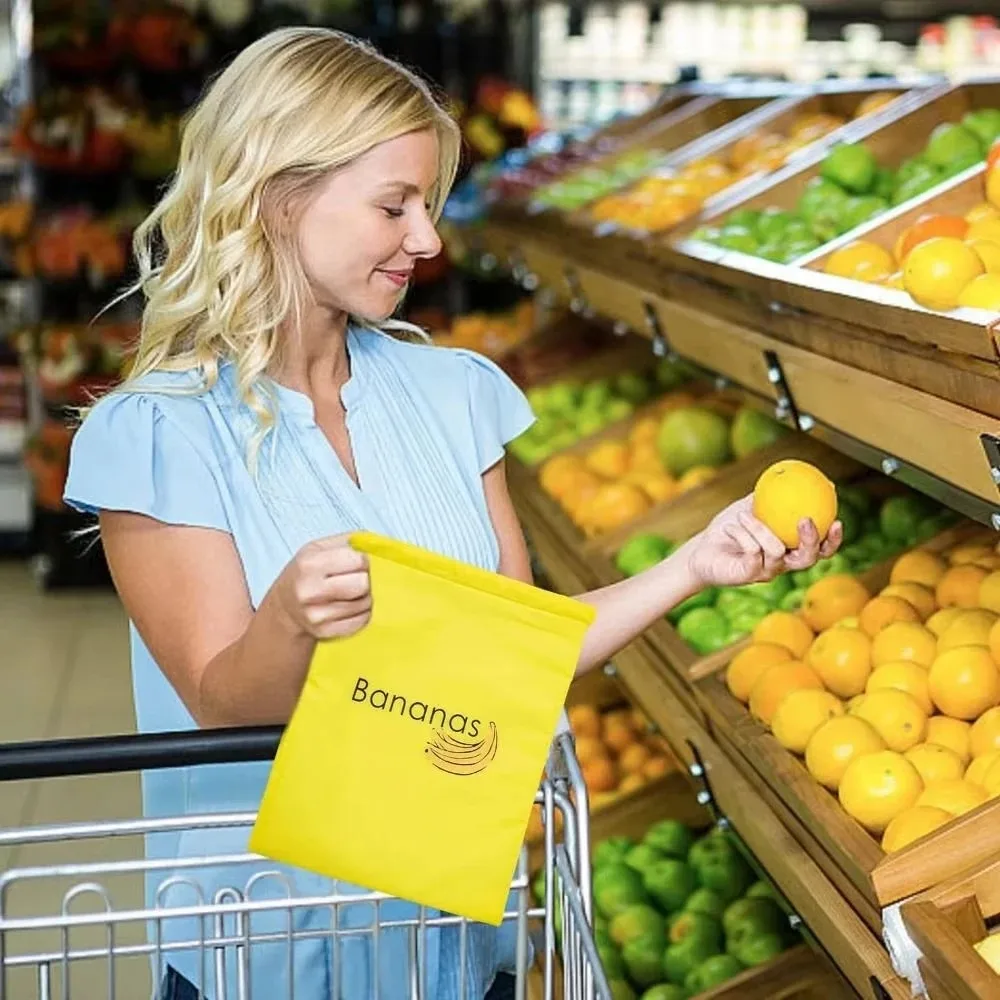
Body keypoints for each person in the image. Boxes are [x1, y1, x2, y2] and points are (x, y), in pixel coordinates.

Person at [62, 27, 841, 1000]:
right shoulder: (157, 434)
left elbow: (507, 655)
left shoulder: (453, 393)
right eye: (394, 204)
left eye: (427, 205)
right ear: (277, 195)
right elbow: (226, 704)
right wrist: (292, 620)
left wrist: (693, 562)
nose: (427, 240)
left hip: (457, 949)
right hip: (268, 957)